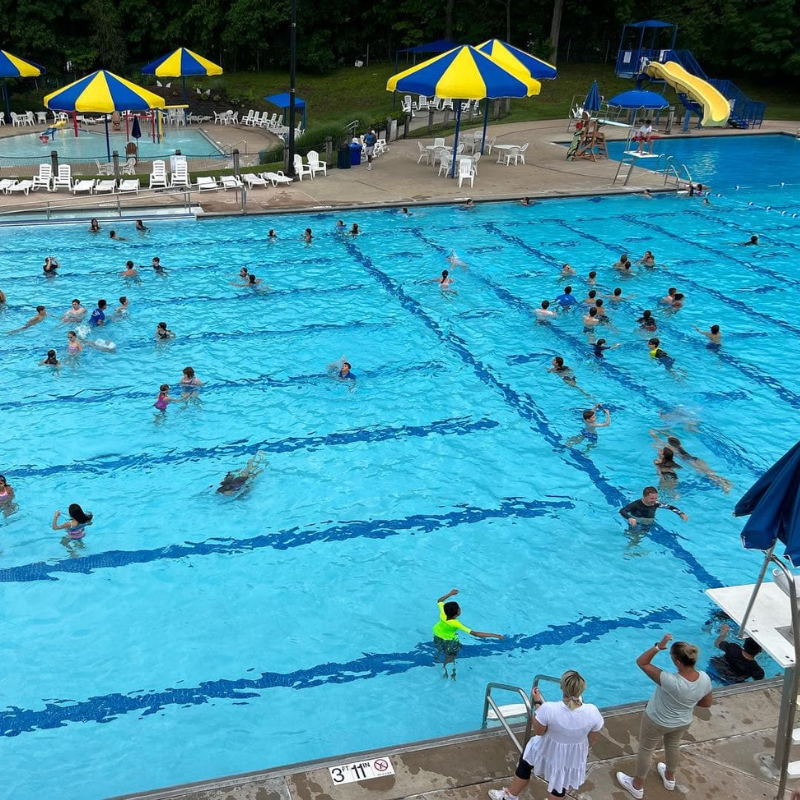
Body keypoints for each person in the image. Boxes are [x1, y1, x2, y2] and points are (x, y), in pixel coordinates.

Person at [616, 635, 712, 799]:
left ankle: (636, 786)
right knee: (673, 746)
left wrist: (658, 647)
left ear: (677, 662)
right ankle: (669, 778)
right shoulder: (704, 678)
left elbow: (642, 662)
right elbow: (706, 703)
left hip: (657, 720)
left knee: (646, 750)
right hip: (682, 721)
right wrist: (685, 703)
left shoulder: (670, 681)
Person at [488, 670, 603, 800]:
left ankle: (509, 796)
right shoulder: (592, 711)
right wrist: (582, 752)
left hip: (547, 749)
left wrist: (537, 703)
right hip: (573, 754)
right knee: (561, 782)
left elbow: (539, 731)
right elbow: (592, 738)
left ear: (561, 687)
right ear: (582, 689)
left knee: (526, 760)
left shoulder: (549, 709)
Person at [433, 588, 503, 680]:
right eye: (459, 608)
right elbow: (476, 634)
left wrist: (450, 594)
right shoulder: (456, 623)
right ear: (456, 613)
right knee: (450, 657)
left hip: (437, 634)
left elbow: (440, 600)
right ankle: (447, 671)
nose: (460, 609)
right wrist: (495, 635)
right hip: (449, 641)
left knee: (440, 648)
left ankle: (439, 657)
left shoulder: (443, 612)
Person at [659, 433, 733, 493]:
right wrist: (663, 432)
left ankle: (724, 486)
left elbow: (660, 443)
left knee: (709, 475)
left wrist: (697, 469)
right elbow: (670, 436)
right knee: (711, 473)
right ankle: (726, 483)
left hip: (692, 461)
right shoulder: (679, 447)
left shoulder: (671, 449)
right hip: (697, 459)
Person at [619, 486, 688, 526]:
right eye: (652, 498)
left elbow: (670, 507)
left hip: (648, 525)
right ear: (644, 497)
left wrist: (680, 513)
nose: (654, 500)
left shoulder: (656, 503)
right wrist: (629, 518)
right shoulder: (636, 504)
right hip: (636, 524)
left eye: (656, 498)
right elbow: (622, 511)